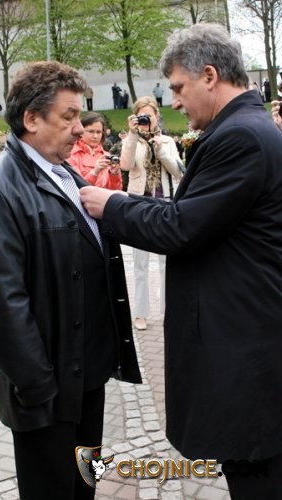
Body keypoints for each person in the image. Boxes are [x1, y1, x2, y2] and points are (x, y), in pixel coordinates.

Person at [80, 23, 282, 500]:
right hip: (249, 336)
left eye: (177, 87)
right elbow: (192, 212)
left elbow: (182, 227)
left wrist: (112, 207)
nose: (173, 102)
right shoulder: (246, 128)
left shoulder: (241, 136)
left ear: (209, 76)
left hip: (244, 348)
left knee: (258, 479)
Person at [0, 61, 141, 500]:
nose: (80, 128)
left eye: (79, 116)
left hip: (86, 376)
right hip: (47, 388)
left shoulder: (64, 173)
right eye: (68, 116)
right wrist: (37, 385)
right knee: (52, 491)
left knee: (84, 485)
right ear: (31, 118)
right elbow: (2, 302)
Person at [119, 95, 183, 331]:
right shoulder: (132, 140)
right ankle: (141, 312)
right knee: (140, 263)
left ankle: (168, 311)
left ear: (157, 116)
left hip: (164, 204)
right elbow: (125, 165)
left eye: (150, 115)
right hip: (139, 204)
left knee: (166, 263)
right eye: (141, 116)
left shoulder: (167, 141)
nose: (146, 120)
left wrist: (161, 151)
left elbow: (179, 172)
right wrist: (132, 135)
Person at [67, 112, 122, 190]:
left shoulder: (107, 156)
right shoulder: (71, 155)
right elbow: (75, 188)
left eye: (98, 132)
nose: (95, 136)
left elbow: (116, 190)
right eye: (91, 131)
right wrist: (94, 172)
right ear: (81, 132)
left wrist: (114, 174)